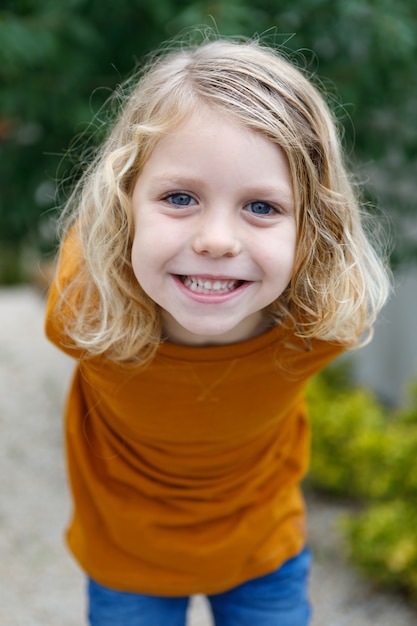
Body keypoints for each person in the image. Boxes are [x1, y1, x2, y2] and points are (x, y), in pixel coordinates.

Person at [45, 34, 390, 626]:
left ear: (315, 228)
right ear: (122, 206)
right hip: (127, 558)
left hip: (263, 551)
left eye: (261, 206)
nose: (217, 240)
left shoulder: (317, 328)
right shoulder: (83, 312)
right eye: (180, 197)